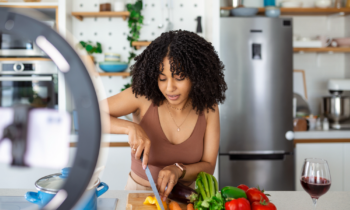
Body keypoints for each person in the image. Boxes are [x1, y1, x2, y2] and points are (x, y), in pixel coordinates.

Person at [103, 30, 227, 201]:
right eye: (162, 78)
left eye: (179, 77)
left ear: (197, 75)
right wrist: (130, 127)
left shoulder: (208, 108)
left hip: (185, 198)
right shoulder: (142, 96)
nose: (169, 88)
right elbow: (89, 115)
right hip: (139, 195)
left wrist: (179, 170)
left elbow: (209, 166)